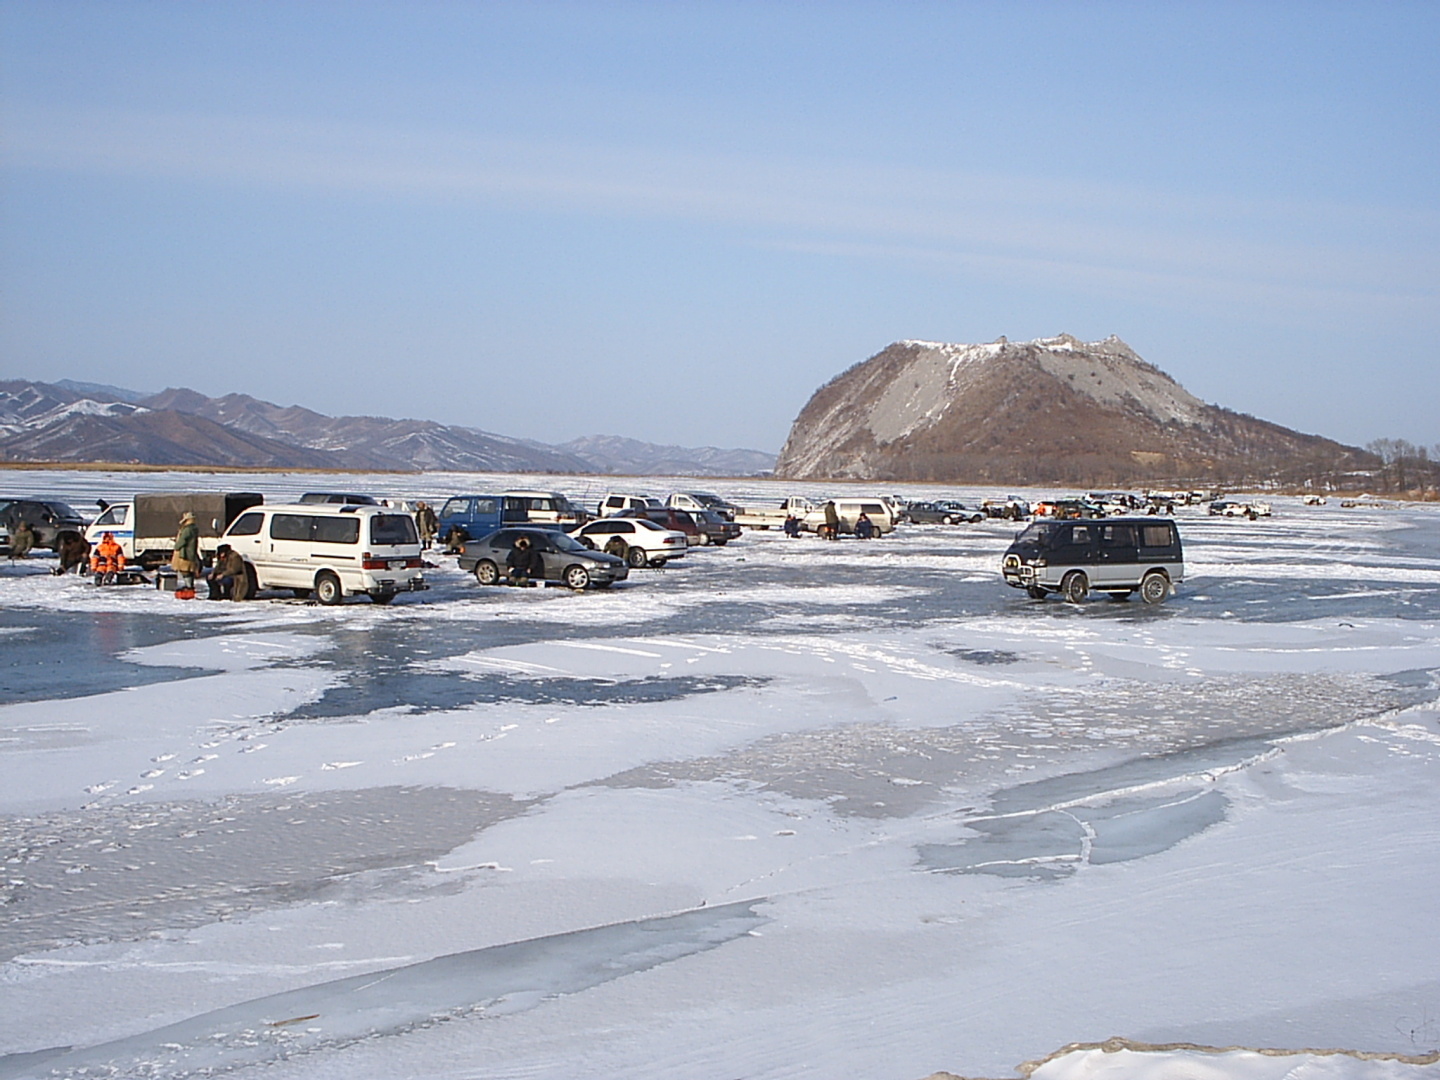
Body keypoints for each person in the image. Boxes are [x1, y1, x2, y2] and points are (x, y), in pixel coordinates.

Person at [170, 511, 201, 599]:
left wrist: (177, 546)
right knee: (188, 570)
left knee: (185, 570)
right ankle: (189, 586)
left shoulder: (187, 529)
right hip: (190, 552)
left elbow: (183, 540)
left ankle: (189, 587)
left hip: (185, 553)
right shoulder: (194, 528)